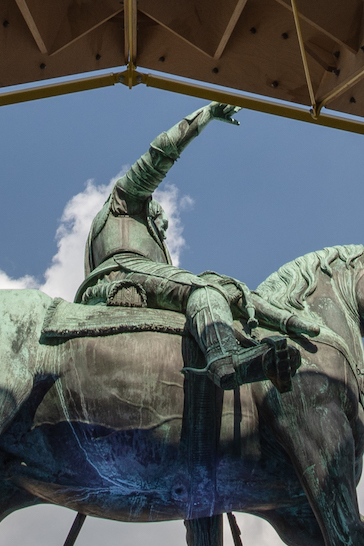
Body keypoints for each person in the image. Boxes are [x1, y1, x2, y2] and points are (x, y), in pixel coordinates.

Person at [77, 102, 322, 390]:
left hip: (134, 272)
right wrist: (206, 115)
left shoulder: (132, 221)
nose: (163, 226)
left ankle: (289, 322)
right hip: (123, 271)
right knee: (203, 289)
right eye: (160, 220)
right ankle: (225, 358)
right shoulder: (124, 201)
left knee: (227, 286)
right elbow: (161, 152)